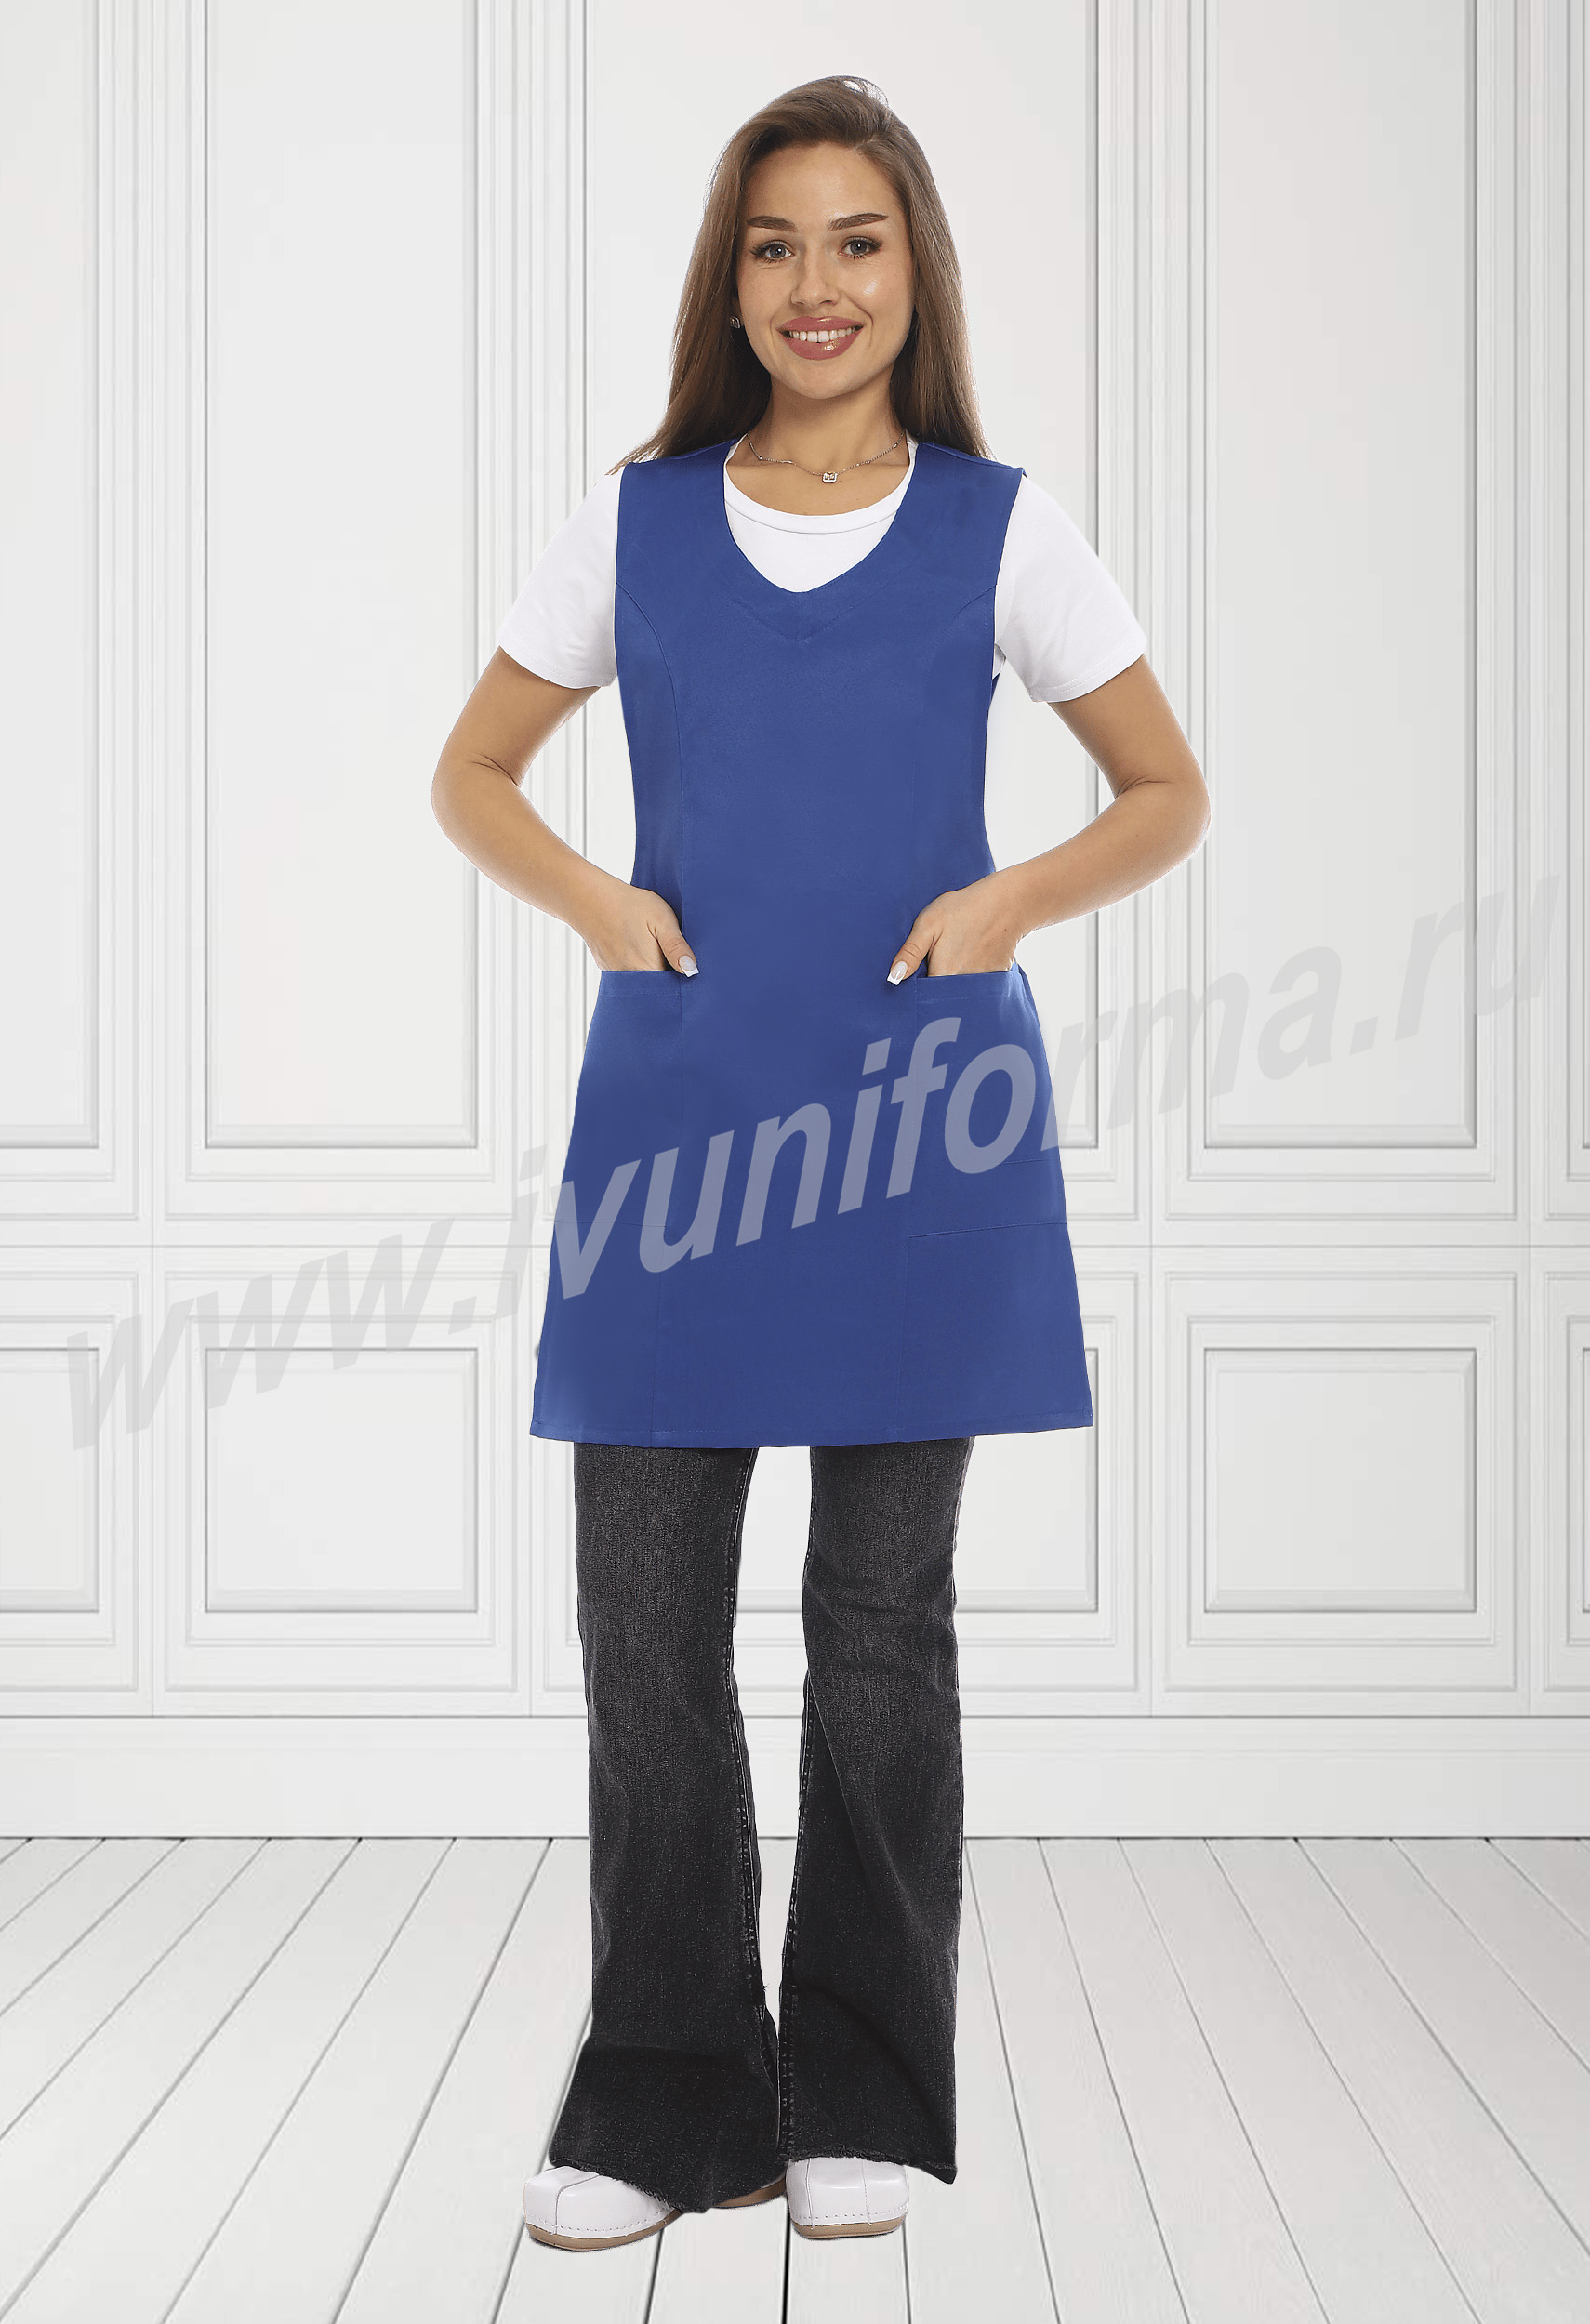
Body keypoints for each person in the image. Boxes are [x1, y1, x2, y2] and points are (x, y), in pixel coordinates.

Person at [431, 73, 1207, 2253]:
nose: (815, 284)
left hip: (920, 1134)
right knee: (646, 1632)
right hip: (676, 1134)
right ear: (730, 280)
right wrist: (600, 905)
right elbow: (473, 769)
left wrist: (1008, 903)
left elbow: (1164, 788)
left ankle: (861, 2084)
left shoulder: (1001, 528)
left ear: (912, 270)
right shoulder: (635, 522)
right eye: (774, 243)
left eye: (856, 240)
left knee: (878, 1628)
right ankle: (668, 2099)